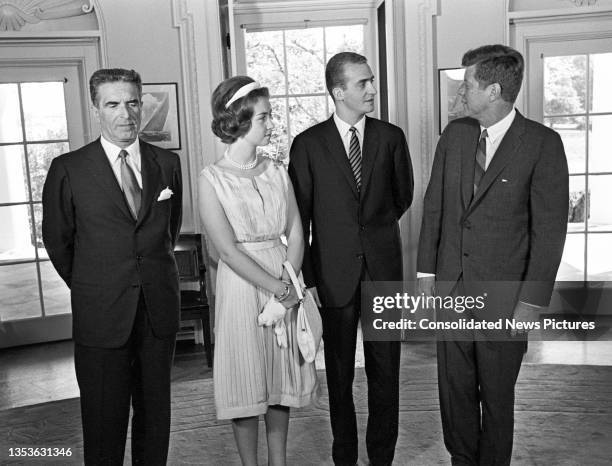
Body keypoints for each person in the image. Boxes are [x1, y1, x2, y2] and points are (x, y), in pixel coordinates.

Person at [417, 44, 569, 466]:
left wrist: (532, 302)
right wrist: (427, 275)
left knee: (497, 400)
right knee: (455, 394)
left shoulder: (543, 145)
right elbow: (435, 206)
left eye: (467, 84)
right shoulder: (455, 136)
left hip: (505, 301)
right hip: (451, 291)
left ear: (494, 90)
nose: (461, 92)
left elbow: (549, 233)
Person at [42, 68, 183, 465]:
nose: (126, 114)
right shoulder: (68, 169)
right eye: (113, 104)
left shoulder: (167, 164)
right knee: (104, 423)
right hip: (101, 315)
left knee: (155, 421)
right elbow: (59, 243)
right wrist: (97, 285)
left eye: (133, 102)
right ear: (96, 109)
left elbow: (166, 234)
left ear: (142, 103)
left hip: (157, 313)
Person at [289, 52, 414, 465]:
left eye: (372, 81)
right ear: (338, 91)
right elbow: (300, 217)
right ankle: (344, 454)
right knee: (339, 375)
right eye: (363, 83)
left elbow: (402, 197)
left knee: (386, 372)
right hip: (332, 274)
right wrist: (309, 278)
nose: (372, 89)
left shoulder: (391, 137)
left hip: (383, 272)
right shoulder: (307, 145)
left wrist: (372, 236)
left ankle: (382, 457)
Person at [198, 75, 318, 466]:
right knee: (247, 382)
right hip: (242, 285)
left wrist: (288, 289)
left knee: (280, 382)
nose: (270, 124)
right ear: (240, 119)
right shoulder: (211, 178)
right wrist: (277, 290)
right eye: (264, 117)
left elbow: (297, 230)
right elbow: (227, 251)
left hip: (284, 275)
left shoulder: (275, 170)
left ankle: (277, 463)